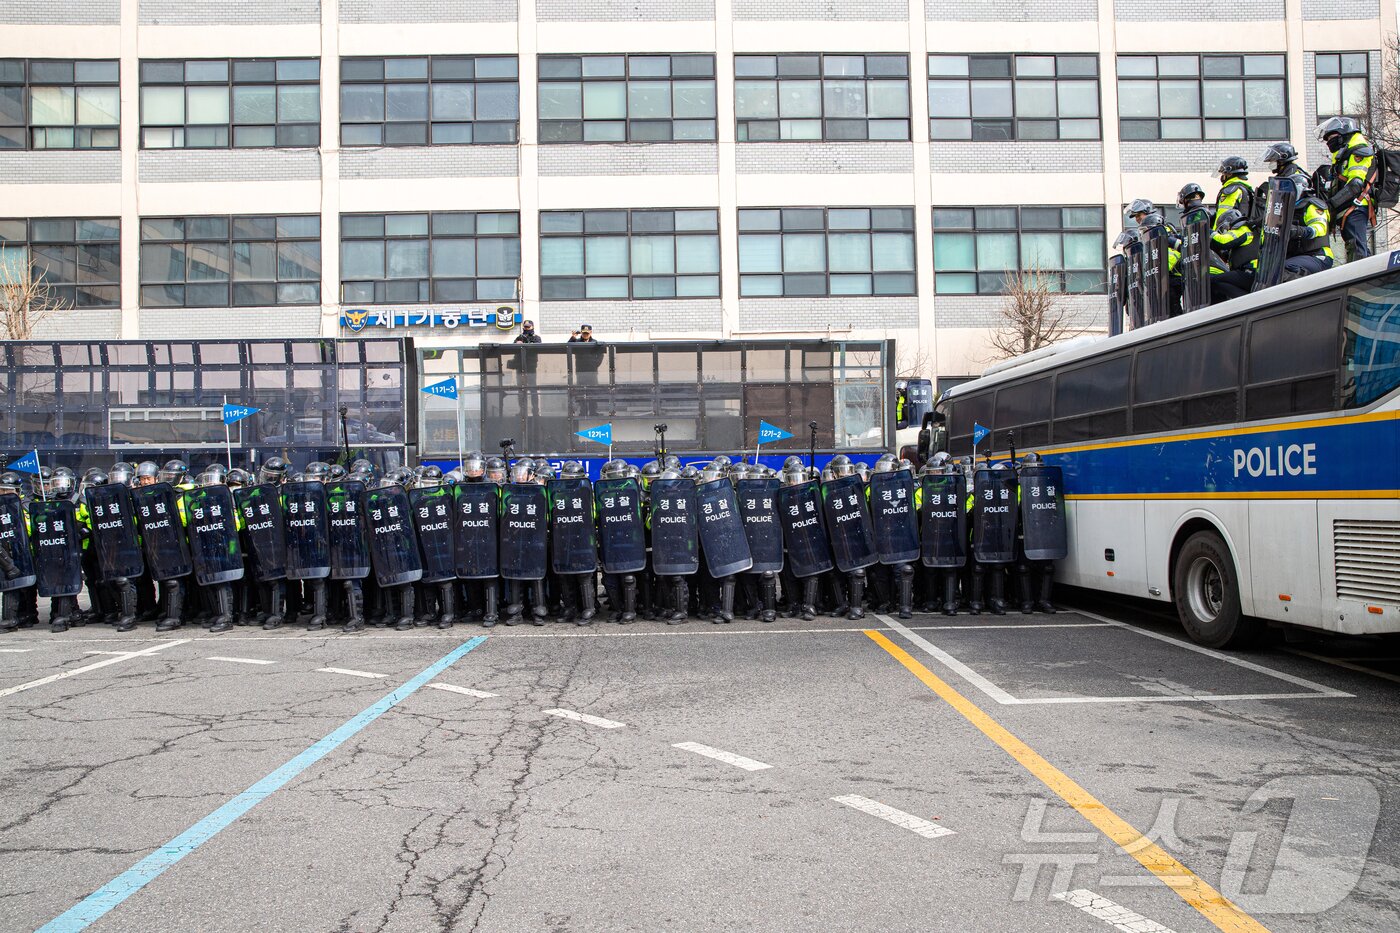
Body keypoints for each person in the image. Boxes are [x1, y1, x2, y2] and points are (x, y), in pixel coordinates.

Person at [1317, 116, 1376, 261]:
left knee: (1356, 250)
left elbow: (1355, 184)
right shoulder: (1345, 154)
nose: (1329, 142)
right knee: (1357, 248)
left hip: (1356, 208)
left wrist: (1331, 204)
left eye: (1332, 137)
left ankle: (1360, 282)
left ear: (1344, 134)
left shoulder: (1359, 152)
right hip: (1347, 209)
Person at [1283, 182, 1336, 278]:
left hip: (1317, 255)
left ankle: (1314, 288)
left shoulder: (1312, 205)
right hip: (1297, 256)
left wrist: (1299, 231)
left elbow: (1319, 227)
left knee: (1287, 268)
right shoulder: (1288, 209)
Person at [1209, 209, 1258, 303]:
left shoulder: (1242, 229)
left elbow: (1223, 241)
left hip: (1250, 271)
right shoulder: (1248, 231)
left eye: (1224, 228)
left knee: (1214, 280)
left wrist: (1208, 230)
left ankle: (1245, 302)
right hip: (1249, 272)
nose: (1225, 231)